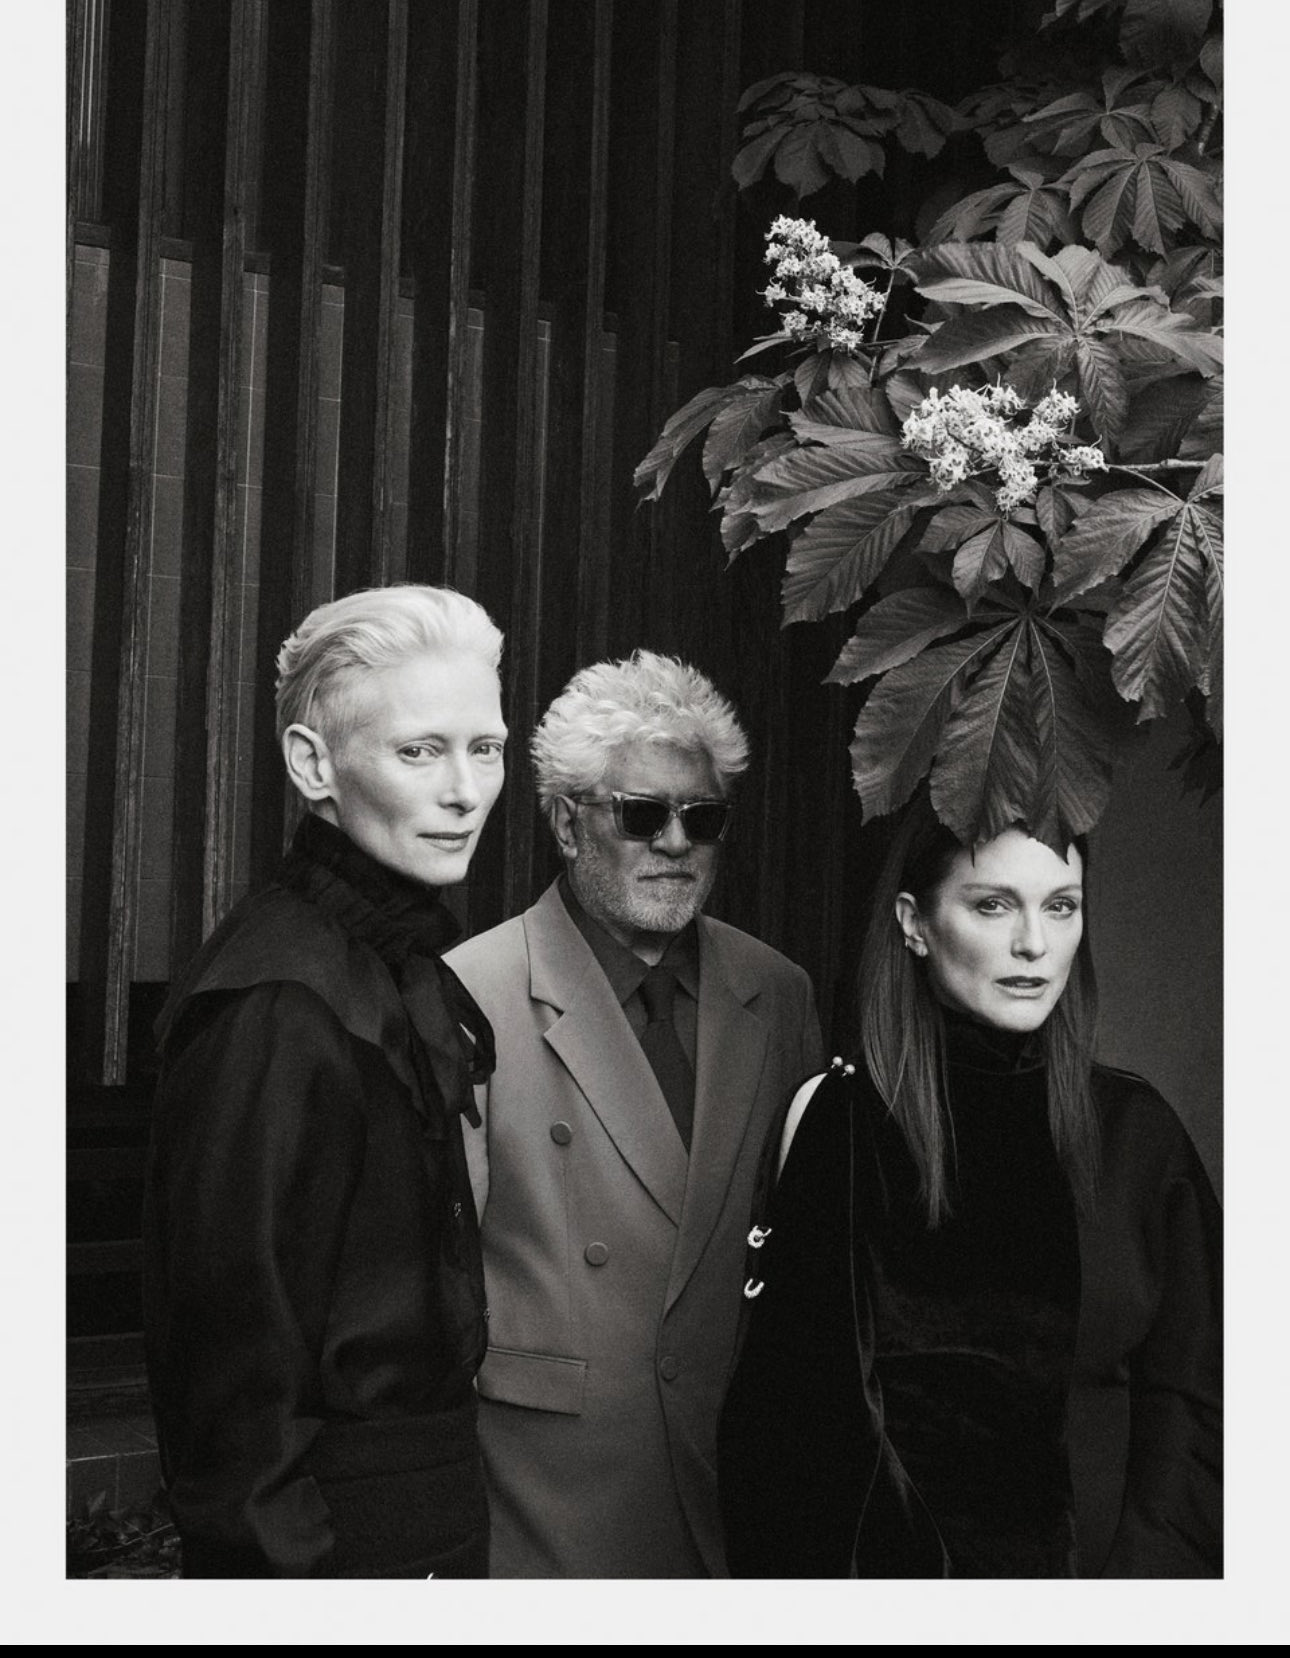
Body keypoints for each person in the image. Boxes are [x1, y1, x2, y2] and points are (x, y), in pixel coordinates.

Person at [718, 796, 1222, 1578]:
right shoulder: (845, 1123)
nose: (1034, 944)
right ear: (914, 924)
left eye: (1061, 906)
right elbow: (792, 1435)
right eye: (993, 905)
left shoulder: (1136, 1135)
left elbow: (1200, 1407)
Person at [143, 584, 507, 1577]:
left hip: (429, 1519)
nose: (465, 791)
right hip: (336, 1549)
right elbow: (231, 1402)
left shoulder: (395, 965)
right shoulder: (277, 1002)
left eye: (486, 748)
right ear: (313, 764)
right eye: (419, 751)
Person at [444, 650, 823, 1577]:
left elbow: (804, 1251)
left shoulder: (777, 992)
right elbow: (430, 1292)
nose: (676, 843)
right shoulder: (470, 993)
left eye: (704, 818)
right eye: (643, 815)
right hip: (548, 1500)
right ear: (568, 823)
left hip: (737, 1481)